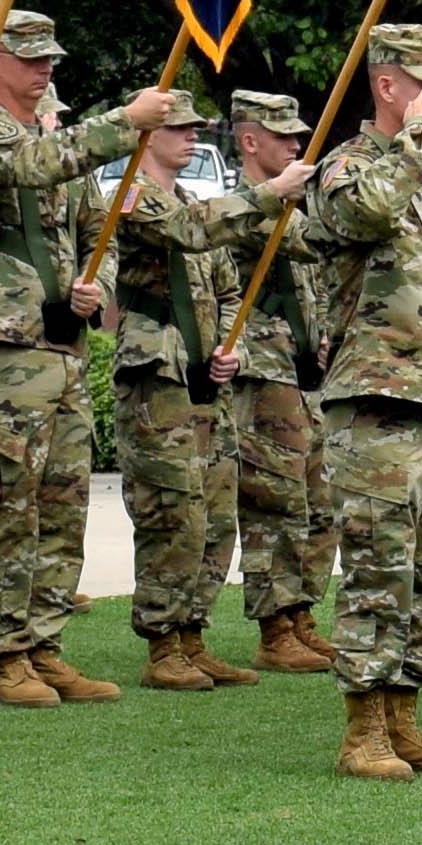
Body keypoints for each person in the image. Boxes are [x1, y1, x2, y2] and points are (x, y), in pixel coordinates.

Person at [296, 22, 422, 777]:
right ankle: (362, 728)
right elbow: (368, 215)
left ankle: (406, 711)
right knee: (381, 563)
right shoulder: (351, 167)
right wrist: (417, 137)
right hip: (380, 396)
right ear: (388, 86)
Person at [0, 13, 175, 707]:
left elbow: (93, 235)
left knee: (63, 499)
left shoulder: (59, 143)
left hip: (63, 348)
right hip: (3, 348)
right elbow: (27, 165)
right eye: (28, 58)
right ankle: (6, 650)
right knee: (8, 500)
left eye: (50, 57)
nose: (44, 68)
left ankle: (45, 641)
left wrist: (94, 287)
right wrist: (127, 121)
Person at [103, 103, 295, 692]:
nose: (190, 136)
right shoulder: (131, 198)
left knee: (213, 511)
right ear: (145, 135)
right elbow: (189, 233)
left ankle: (192, 633)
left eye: (194, 129)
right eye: (178, 128)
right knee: (171, 510)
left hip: (204, 373)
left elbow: (228, 286)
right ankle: (163, 642)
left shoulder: (192, 198)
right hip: (157, 373)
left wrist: (230, 343)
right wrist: (272, 194)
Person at [216, 92, 337, 672]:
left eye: (297, 136)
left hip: (301, 366)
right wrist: (278, 196)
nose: (296, 145)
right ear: (249, 141)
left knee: (317, 498)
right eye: (283, 136)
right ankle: (274, 622)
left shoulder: (293, 205)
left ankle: (301, 612)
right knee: (275, 499)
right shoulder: (238, 207)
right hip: (261, 369)